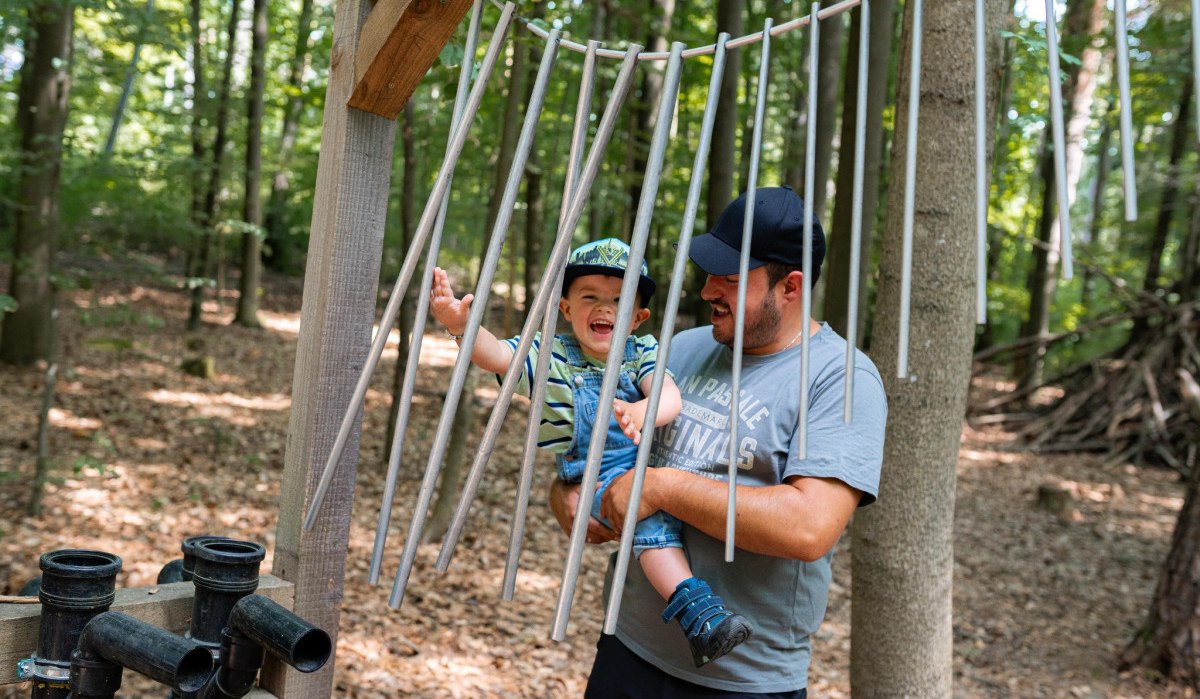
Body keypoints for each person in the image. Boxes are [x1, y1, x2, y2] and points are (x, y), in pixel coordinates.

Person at [550, 187, 888, 698]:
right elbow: (601, 449)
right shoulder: (682, 350)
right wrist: (567, 496)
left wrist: (660, 487)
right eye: (710, 273)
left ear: (790, 287)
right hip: (627, 647)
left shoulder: (840, 379)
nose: (708, 290)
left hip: (743, 680)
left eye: (730, 279)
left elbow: (809, 527)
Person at [430, 237, 754, 667]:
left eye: (620, 301)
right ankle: (697, 612)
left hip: (648, 472)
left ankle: (699, 607)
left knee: (663, 511)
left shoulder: (642, 353)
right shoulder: (552, 355)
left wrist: (640, 410)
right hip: (599, 480)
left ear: (638, 317)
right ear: (566, 309)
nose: (605, 308)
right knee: (650, 526)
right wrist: (461, 326)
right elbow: (498, 357)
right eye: (590, 298)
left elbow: (668, 397)